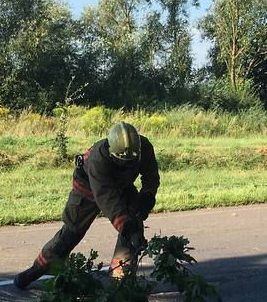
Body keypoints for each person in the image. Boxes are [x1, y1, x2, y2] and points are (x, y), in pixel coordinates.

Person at [15, 121, 160, 289]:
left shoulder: (144, 148)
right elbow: (107, 198)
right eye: (121, 161)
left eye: (130, 161)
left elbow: (151, 177)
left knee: (134, 222)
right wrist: (127, 228)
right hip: (88, 188)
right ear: (111, 152)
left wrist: (146, 198)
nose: (126, 165)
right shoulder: (98, 159)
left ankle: (121, 282)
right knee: (71, 233)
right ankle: (37, 269)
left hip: (122, 186)